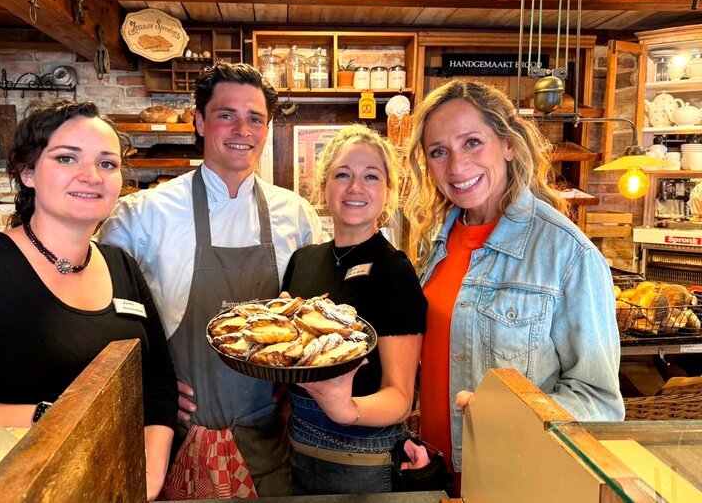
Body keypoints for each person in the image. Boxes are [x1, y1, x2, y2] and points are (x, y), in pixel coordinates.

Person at [0, 98, 177, 501]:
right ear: (27, 172)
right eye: (67, 158)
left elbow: (156, 385)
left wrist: (146, 478)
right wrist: (46, 417)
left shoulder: (122, 266)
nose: (91, 176)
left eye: (107, 163)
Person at [96, 61, 325, 499]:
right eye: (226, 115)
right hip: (178, 441)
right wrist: (147, 386)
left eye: (255, 118)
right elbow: (107, 321)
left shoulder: (296, 216)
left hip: (270, 439)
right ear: (199, 121)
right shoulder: (143, 215)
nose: (242, 129)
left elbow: (308, 318)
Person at [403, 80, 625, 480]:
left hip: (513, 475)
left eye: (472, 142)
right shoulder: (434, 241)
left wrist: (514, 413)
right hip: (439, 470)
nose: (456, 166)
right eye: (439, 152)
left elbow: (601, 404)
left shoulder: (568, 253)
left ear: (507, 144)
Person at [281, 125, 427, 495]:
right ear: (323, 186)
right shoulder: (304, 261)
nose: (355, 187)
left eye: (371, 177)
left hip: (361, 457)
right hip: (297, 444)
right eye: (342, 175)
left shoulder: (393, 270)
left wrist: (346, 409)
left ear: (388, 191)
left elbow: (399, 395)